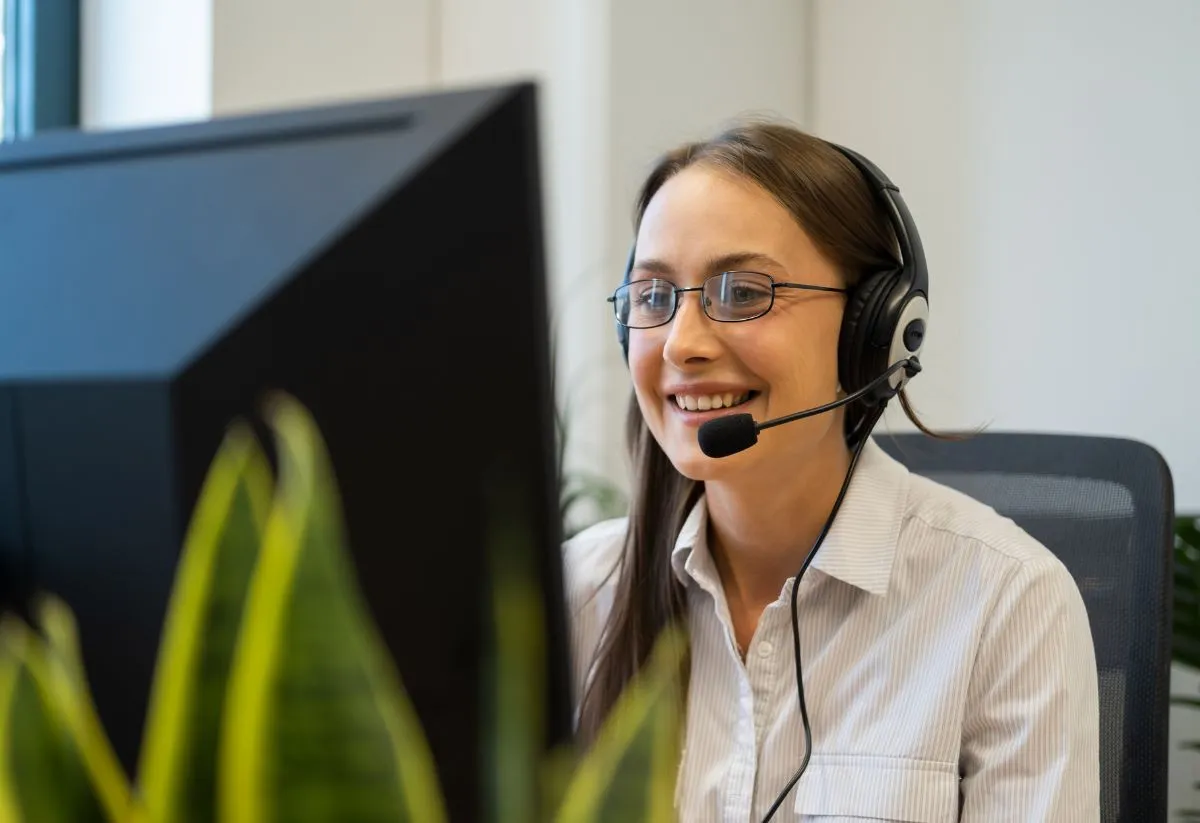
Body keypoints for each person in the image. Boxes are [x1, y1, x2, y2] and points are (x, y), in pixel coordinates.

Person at [563, 120, 1100, 822]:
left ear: (873, 330)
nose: (681, 346)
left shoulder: (1006, 604)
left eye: (744, 292)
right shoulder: (580, 596)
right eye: (654, 297)